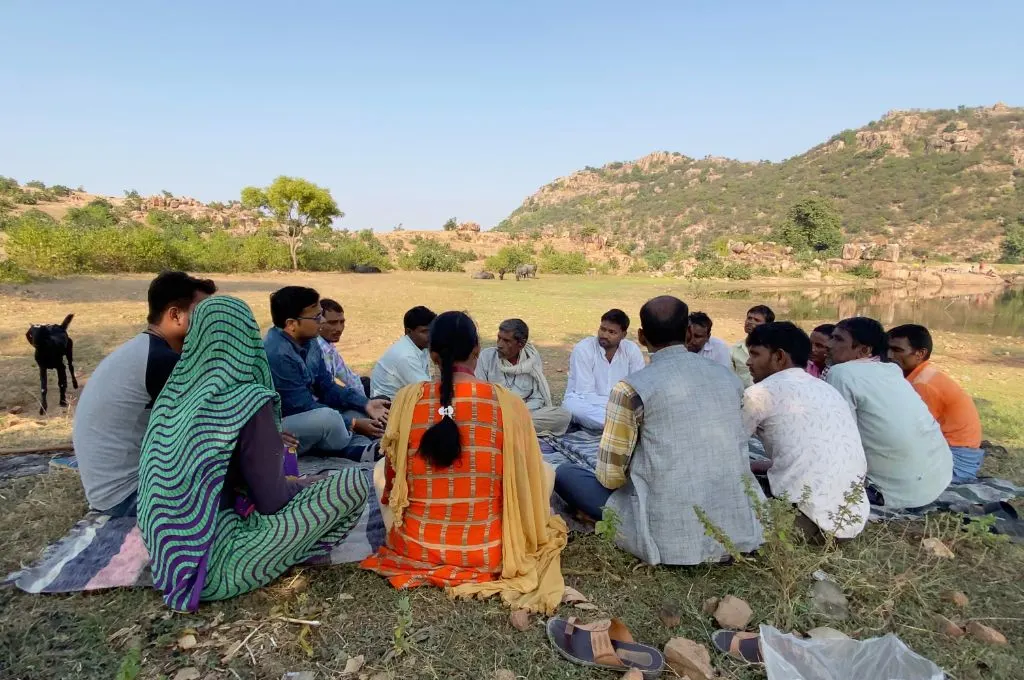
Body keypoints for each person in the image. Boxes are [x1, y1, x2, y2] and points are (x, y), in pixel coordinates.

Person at [138, 296, 370, 612]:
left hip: (169, 556)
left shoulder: (175, 394)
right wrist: (308, 482)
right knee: (352, 484)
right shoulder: (248, 399)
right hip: (216, 567)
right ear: (248, 339)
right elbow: (272, 500)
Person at [361, 311, 567, 614]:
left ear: (432, 356)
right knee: (545, 471)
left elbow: (392, 478)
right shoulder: (509, 404)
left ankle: (408, 537)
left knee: (380, 467)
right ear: (477, 352)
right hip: (489, 553)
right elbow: (526, 478)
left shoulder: (406, 399)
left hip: (416, 549)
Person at [555, 296, 763, 565]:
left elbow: (610, 476)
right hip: (735, 516)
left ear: (641, 337)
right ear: (689, 332)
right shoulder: (729, 379)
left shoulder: (632, 388)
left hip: (666, 530)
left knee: (566, 473)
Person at [72, 271, 217, 517]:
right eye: (204, 314)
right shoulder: (162, 361)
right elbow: (211, 428)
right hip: (127, 496)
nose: (213, 323)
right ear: (175, 315)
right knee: (230, 482)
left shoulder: (143, 349)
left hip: (109, 490)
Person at [743, 322, 870, 540]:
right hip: (851, 518)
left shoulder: (759, 393)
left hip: (805, 520)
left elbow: (722, 449)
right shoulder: (826, 389)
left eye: (755, 354)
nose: (748, 362)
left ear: (779, 357)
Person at [826, 317, 952, 508]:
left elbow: (841, 440)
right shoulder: (891, 369)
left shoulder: (842, 373)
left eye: (838, 339)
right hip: (937, 478)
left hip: (896, 492)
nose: (829, 345)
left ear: (864, 350)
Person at [264, 286, 389, 458]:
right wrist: (353, 423)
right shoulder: (277, 353)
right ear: (291, 324)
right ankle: (349, 450)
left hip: (310, 413)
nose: (322, 321)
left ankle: (350, 442)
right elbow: (300, 406)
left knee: (357, 409)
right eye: (316, 317)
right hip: (282, 424)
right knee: (329, 419)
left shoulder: (310, 341)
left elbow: (327, 387)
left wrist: (365, 403)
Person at [888, 324, 985, 483]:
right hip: (955, 451)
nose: (890, 355)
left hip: (957, 459)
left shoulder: (922, 385)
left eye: (897, 350)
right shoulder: (923, 375)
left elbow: (913, 434)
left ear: (920, 354)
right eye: (888, 349)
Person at [475, 319, 572, 435]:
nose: (499, 345)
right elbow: (479, 395)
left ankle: (508, 429)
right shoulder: (486, 357)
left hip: (524, 413)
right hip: (495, 413)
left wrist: (518, 410)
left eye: (506, 340)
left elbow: (538, 398)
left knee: (563, 415)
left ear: (521, 344)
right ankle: (514, 429)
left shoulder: (531, 359)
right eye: (499, 338)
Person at [562, 309, 646, 430]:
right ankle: (625, 427)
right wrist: (617, 407)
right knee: (573, 408)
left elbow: (638, 387)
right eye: (603, 329)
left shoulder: (631, 350)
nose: (604, 335)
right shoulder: (584, 349)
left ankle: (619, 426)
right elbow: (586, 392)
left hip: (620, 405)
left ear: (623, 335)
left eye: (612, 332)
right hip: (586, 402)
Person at [370, 306, 437, 400]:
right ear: (408, 331)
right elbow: (426, 392)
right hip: (388, 407)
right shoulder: (406, 356)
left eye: (431, 331)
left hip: (402, 400)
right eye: (424, 331)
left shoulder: (420, 345)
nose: (430, 336)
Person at [317, 298, 370, 396]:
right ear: (319, 322)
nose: (339, 328)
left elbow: (350, 378)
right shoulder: (316, 349)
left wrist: (366, 402)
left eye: (342, 322)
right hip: (321, 405)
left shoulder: (329, 347)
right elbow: (325, 390)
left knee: (365, 383)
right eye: (332, 323)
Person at [731, 305, 775, 388]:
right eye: (749, 318)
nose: (750, 322)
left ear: (768, 325)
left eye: (757, 320)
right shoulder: (735, 349)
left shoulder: (774, 351)